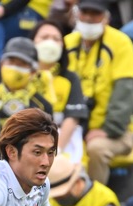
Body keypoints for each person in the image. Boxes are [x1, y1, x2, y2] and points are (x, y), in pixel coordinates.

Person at [65, 0, 133, 185]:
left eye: (95, 14)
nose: (89, 19)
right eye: (85, 13)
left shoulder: (120, 42)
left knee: (95, 149)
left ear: (106, 18)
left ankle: (93, 194)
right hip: (71, 127)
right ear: (76, 14)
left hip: (115, 131)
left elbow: (125, 93)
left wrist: (108, 130)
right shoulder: (68, 43)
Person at [0, 37, 52, 148]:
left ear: (33, 72)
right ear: (2, 64)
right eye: (11, 62)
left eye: (21, 64)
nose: (15, 67)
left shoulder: (41, 106)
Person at [30, 20, 88, 163]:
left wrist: (55, 150)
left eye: (56, 39)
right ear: (32, 41)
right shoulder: (24, 75)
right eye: (44, 37)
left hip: (62, 142)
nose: (50, 42)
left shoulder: (70, 78)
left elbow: (72, 118)